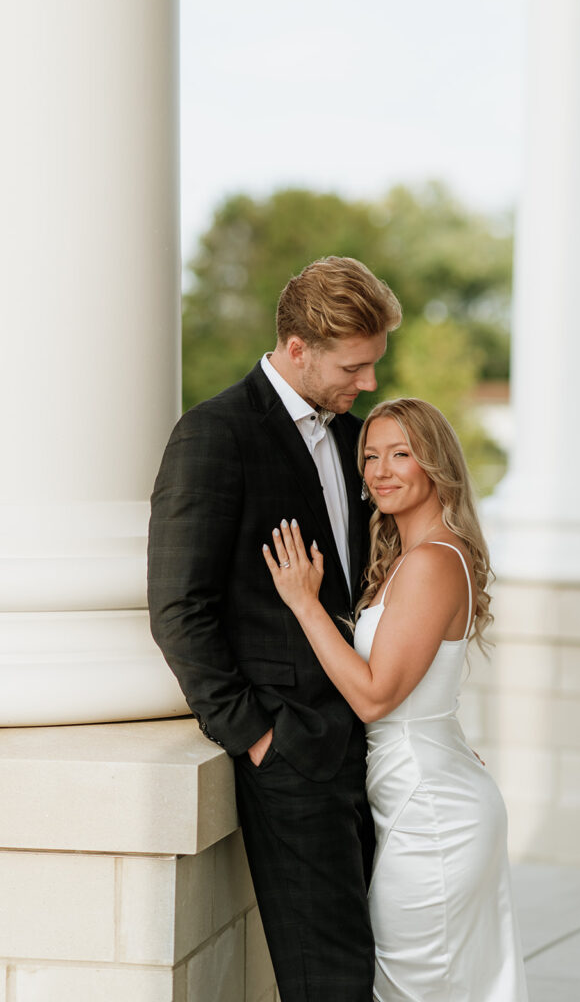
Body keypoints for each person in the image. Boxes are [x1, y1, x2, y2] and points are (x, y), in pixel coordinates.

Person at [147, 256, 402, 1001]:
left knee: (374, 963)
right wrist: (257, 736)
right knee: (330, 982)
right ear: (298, 349)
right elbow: (178, 607)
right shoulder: (213, 435)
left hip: (369, 746)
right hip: (290, 755)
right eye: (354, 366)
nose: (369, 384)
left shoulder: (356, 439)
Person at [264, 397, 529, 1002]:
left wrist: (305, 604)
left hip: (432, 812)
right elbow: (427, 694)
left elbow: (377, 698)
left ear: (436, 463)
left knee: (412, 986)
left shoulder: (432, 563)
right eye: (372, 456)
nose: (381, 470)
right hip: (425, 789)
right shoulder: (409, 560)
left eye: (401, 454)